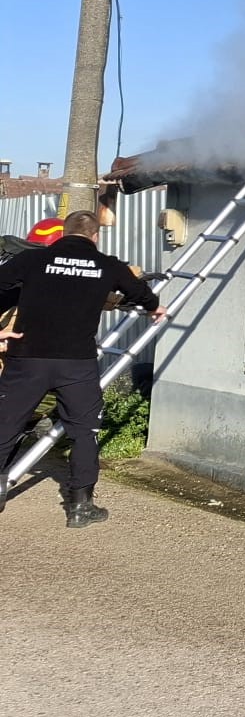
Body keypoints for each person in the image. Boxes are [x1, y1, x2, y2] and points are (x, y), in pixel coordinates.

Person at [0, 210, 163, 526]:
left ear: (63, 232)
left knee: (5, 425)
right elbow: (138, 291)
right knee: (84, 433)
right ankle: (80, 507)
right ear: (96, 235)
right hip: (77, 364)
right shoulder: (107, 265)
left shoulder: (32, 261)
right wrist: (156, 307)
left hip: (28, 358)